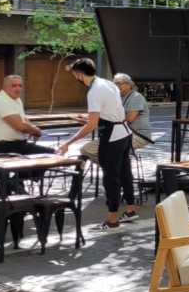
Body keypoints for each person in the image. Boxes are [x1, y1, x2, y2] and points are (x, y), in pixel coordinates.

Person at [56, 59, 136, 229]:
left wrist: (68, 143)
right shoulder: (107, 83)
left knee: (111, 178)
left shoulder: (93, 91)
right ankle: (130, 209)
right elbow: (109, 111)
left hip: (112, 136)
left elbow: (92, 125)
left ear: (79, 74)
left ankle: (112, 219)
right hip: (125, 132)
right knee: (124, 172)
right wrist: (89, 118)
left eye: (74, 75)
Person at [80, 73, 152, 162]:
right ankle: (116, 170)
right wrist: (91, 119)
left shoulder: (136, 97)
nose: (116, 86)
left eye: (119, 83)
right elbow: (107, 115)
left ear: (129, 84)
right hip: (120, 134)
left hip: (137, 135)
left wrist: (97, 121)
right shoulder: (117, 97)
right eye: (115, 83)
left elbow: (128, 119)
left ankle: (115, 170)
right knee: (87, 149)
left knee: (90, 150)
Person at [0, 75, 51, 156]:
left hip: (17, 146)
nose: (18, 89)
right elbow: (20, 126)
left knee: (51, 154)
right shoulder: (1, 100)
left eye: (20, 86)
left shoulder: (15, 99)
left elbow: (24, 120)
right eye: (14, 86)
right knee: (51, 154)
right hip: (5, 148)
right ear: (4, 87)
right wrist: (36, 131)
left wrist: (33, 128)